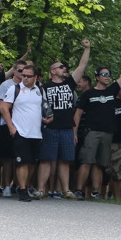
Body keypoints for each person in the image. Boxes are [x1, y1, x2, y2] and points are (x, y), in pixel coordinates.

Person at [73, 48, 121, 200]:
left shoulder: (112, 91)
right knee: (87, 161)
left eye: (109, 75)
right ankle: (79, 190)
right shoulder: (88, 94)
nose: (107, 77)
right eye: (104, 74)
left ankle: (96, 191)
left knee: (100, 164)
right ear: (97, 77)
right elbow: (78, 113)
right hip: (92, 132)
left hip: (108, 133)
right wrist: (74, 132)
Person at [37, 40, 90, 200]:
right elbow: (37, 106)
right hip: (50, 128)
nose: (64, 69)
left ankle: (66, 190)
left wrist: (87, 48)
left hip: (67, 128)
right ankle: (40, 190)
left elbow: (82, 66)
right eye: (61, 67)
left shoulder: (69, 84)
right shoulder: (43, 87)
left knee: (65, 160)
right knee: (46, 160)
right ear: (53, 71)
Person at [0, 65, 52, 202]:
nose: (26, 78)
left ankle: (25, 186)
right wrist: (11, 127)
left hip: (36, 132)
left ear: (35, 77)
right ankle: (22, 189)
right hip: (20, 131)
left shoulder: (40, 90)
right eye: (24, 75)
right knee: (21, 162)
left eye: (29, 76)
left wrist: (48, 118)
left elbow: (43, 108)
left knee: (31, 162)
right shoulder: (14, 89)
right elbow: (4, 108)